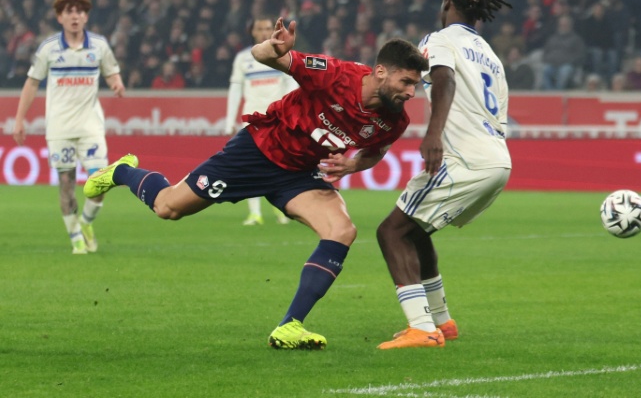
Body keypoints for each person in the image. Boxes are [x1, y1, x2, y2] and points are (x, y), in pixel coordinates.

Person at [84, 18, 428, 350]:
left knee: (342, 230)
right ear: (381, 71)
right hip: (257, 152)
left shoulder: (393, 119)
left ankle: (290, 325)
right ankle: (121, 172)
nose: (411, 92)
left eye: (415, 85)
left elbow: (373, 152)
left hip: (299, 173)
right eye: (406, 82)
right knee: (168, 208)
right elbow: (263, 57)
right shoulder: (334, 74)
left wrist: (353, 165)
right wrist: (274, 47)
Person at [375, 0, 512, 350]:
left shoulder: (439, 40)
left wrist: (434, 134)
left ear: (447, 3)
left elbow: (444, 79)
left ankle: (421, 329)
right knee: (416, 232)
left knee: (391, 232)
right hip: (497, 159)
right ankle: (443, 322)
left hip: (465, 157)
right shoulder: (491, 56)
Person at [13, 0, 125, 254]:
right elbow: (32, 83)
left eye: (80, 11)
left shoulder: (99, 45)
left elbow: (112, 71)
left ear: (86, 16)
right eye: (69, 11)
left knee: (101, 184)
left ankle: (85, 223)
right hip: (60, 128)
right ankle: (75, 238)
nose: (75, 16)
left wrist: (116, 83)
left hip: (90, 127)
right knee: (66, 183)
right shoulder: (49, 49)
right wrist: (19, 119)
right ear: (59, 17)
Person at [226, 17, 298, 226]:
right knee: (251, 165)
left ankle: (282, 209)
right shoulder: (243, 58)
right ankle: (255, 213)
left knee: (281, 164)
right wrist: (229, 119)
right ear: (253, 32)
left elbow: (291, 86)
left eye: (268, 28)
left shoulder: (284, 55)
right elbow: (235, 89)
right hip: (251, 117)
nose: (265, 32)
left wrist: (287, 113)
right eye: (260, 28)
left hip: (277, 117)